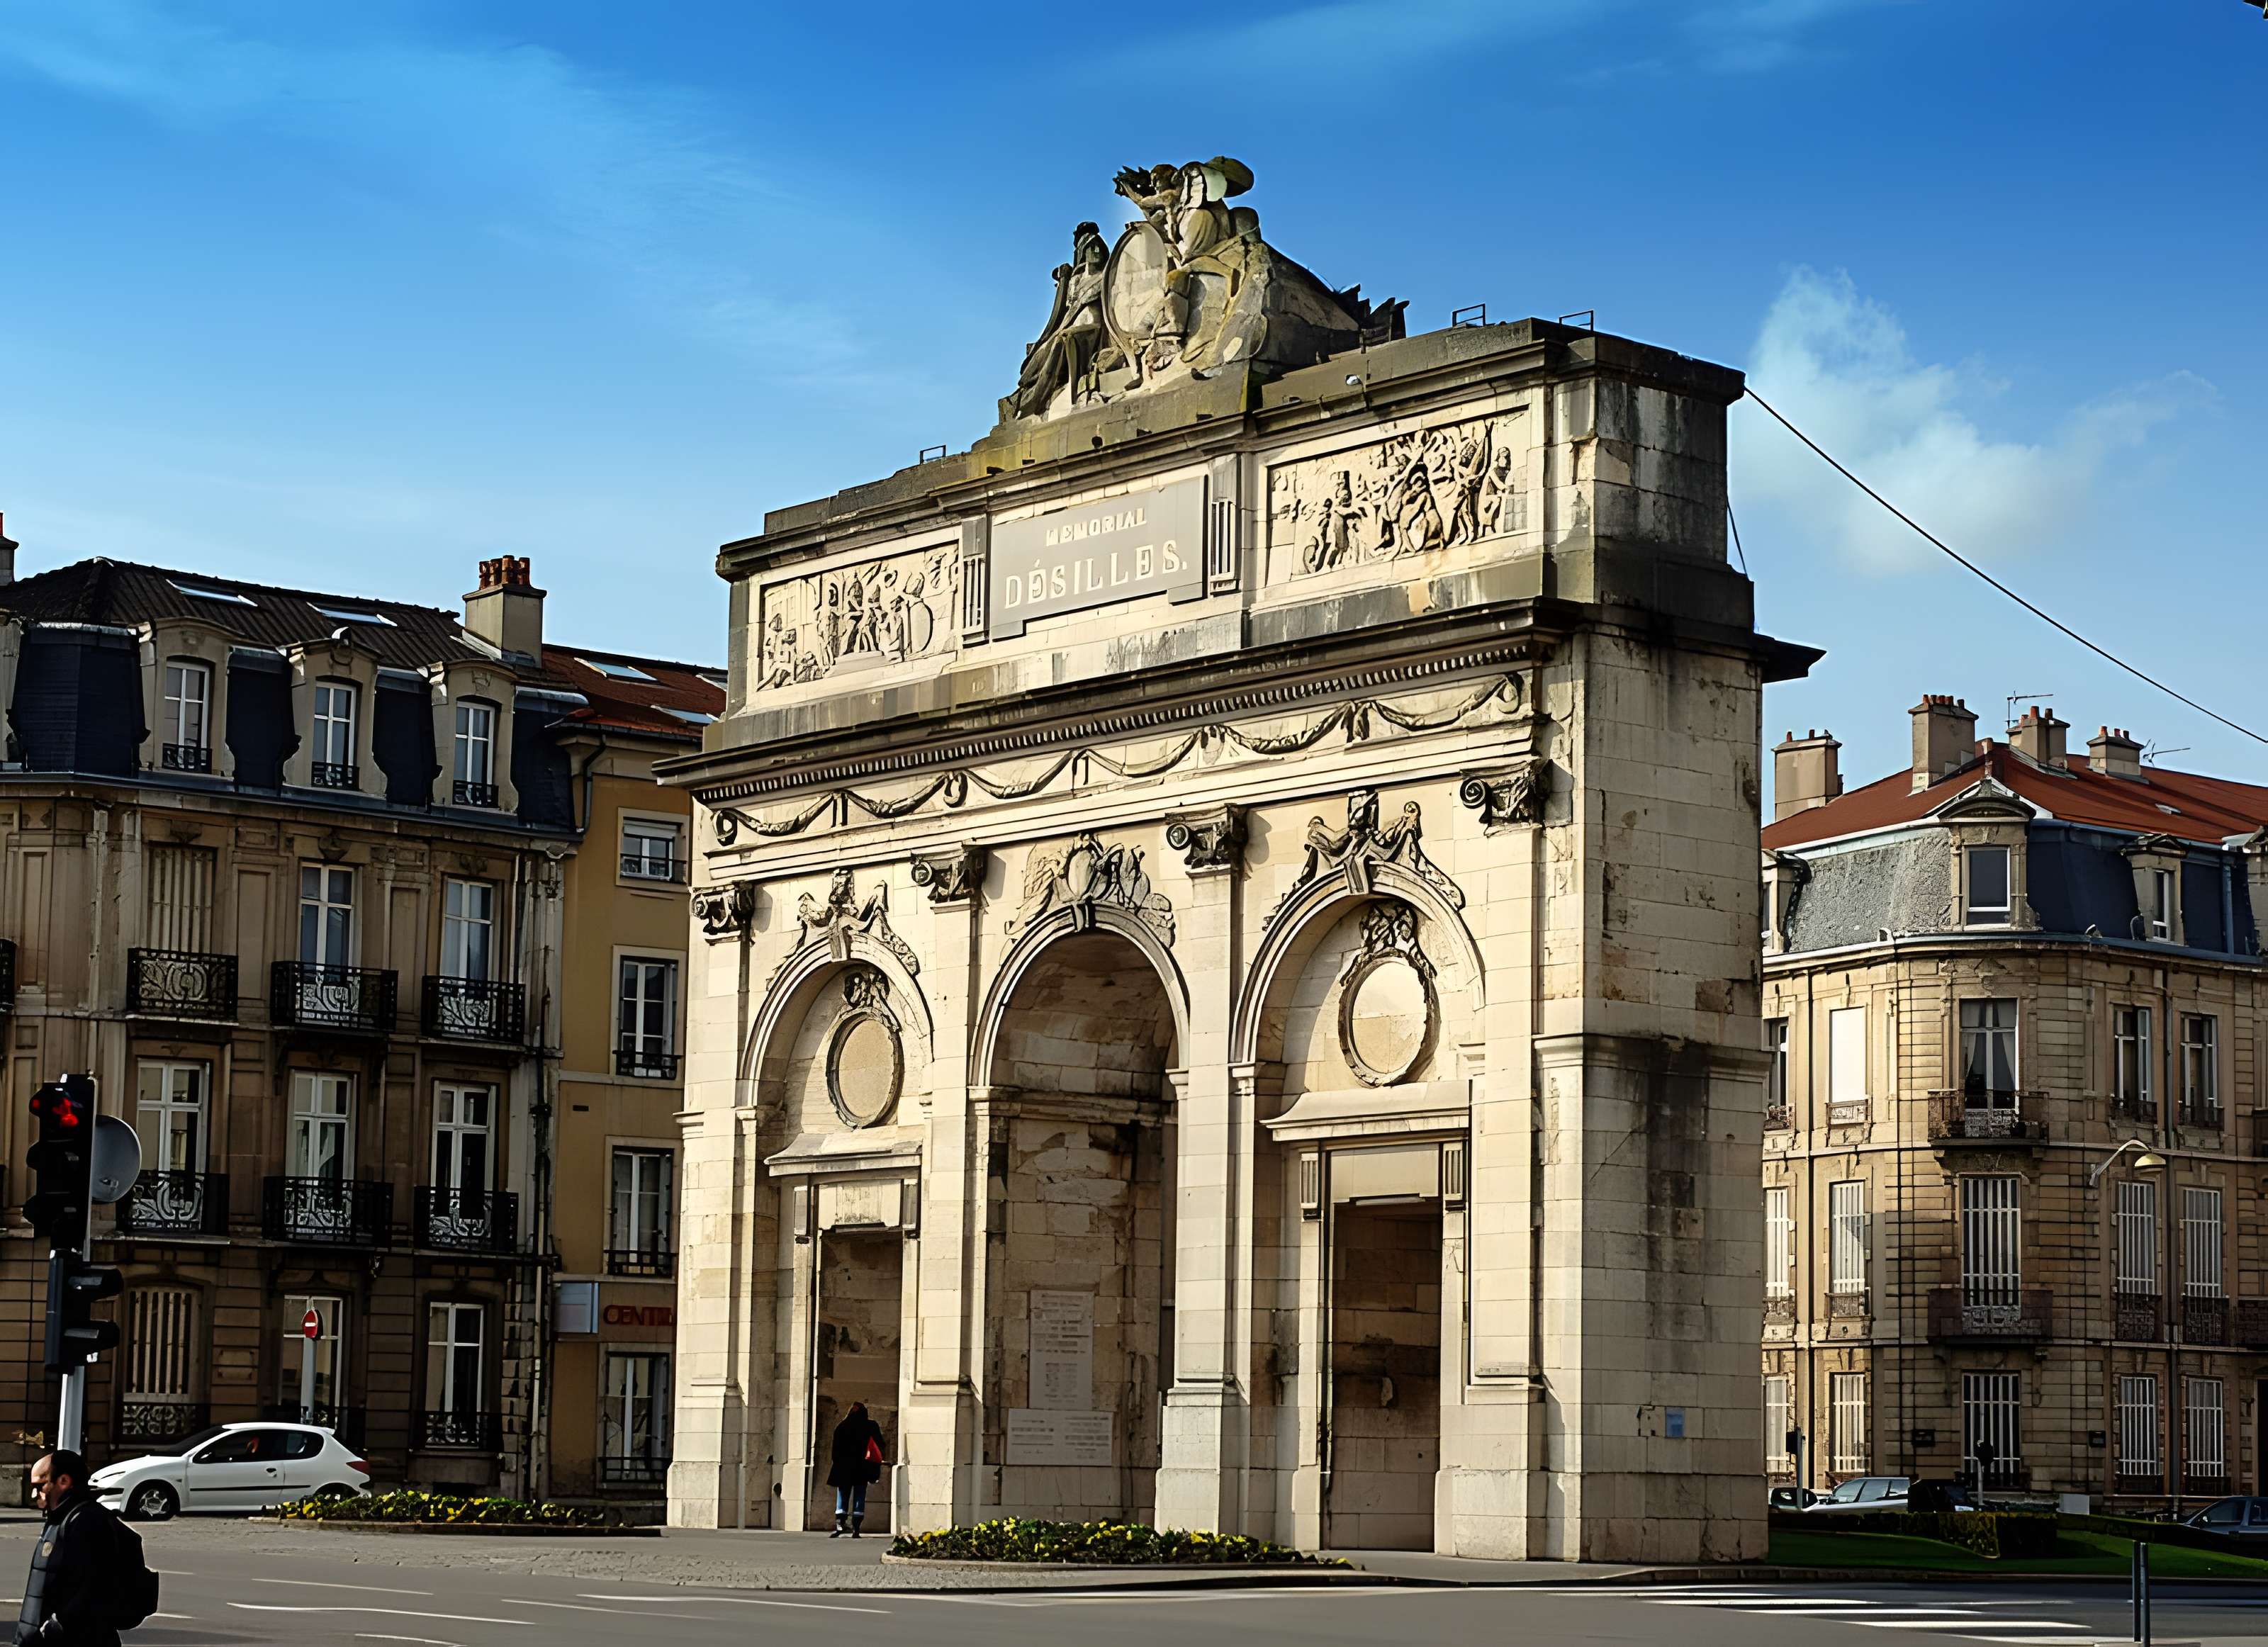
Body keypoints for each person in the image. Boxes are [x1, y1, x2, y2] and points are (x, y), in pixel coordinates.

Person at [16, 1451, 123, 1647]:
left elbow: (92, 1587)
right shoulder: (60, 1519)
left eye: (39, 1486)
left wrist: (56, 1627)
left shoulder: (86, 1521)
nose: (34, 1495)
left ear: (63, 1481)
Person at [826, 1403, 885, 1539]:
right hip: (862, 1467)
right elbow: (879, 1444)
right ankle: (856, 1527)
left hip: (844, 1467)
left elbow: (835, 1450)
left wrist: (839, 1464)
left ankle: (840, 1524)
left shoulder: (842, 1426)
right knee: (860, 1495)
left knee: (843, 1495)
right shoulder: (871, 1426)